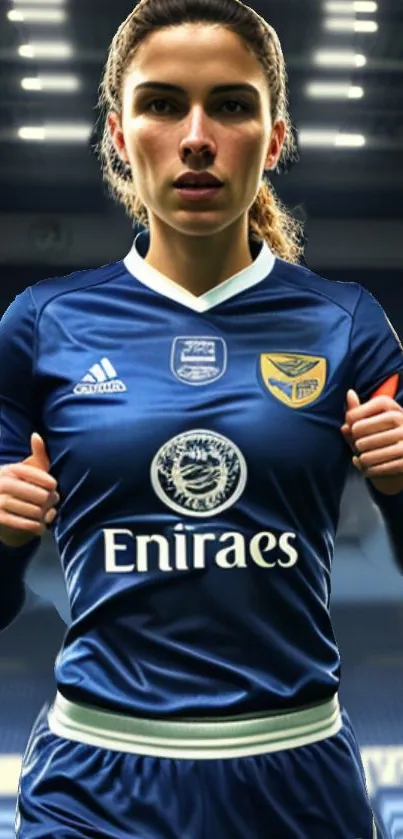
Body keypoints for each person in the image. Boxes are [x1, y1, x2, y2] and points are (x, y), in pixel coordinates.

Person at [1, 0, 402, 836]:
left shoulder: (348, 324)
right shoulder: (40, 325)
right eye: (160, 103)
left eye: (228, 104)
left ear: (274, 135)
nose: (195, 136)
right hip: (92, 784)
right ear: (117, 134)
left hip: (297, 781)